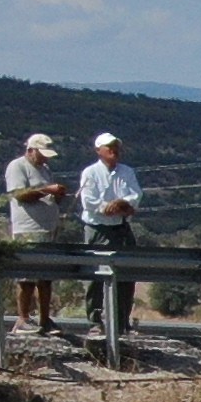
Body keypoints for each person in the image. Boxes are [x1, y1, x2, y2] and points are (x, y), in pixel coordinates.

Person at [75, 132, 142, 341]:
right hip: (98, 229)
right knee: (95, 276)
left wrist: (122, 205)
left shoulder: (127, 172)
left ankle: (122, 322)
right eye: (108, 147)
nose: (113, 150)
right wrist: (111, 207)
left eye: (115, 146)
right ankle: (95, 321)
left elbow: (136, 196)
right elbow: (90, 203)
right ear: (98, 151)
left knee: (126, 275)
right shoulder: (91, 173)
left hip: (121, 228)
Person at [1, 132, 69, 334]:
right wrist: (47, 190)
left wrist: (57, 196)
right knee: (26, 276)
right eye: (41, 153)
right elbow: (19, 194)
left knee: (45, 277)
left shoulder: (45, 169)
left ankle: (44, 319)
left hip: (47, 228)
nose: (45, 158)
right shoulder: (17, 166)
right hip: (28, 229)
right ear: (30, 150)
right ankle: (23, 318)